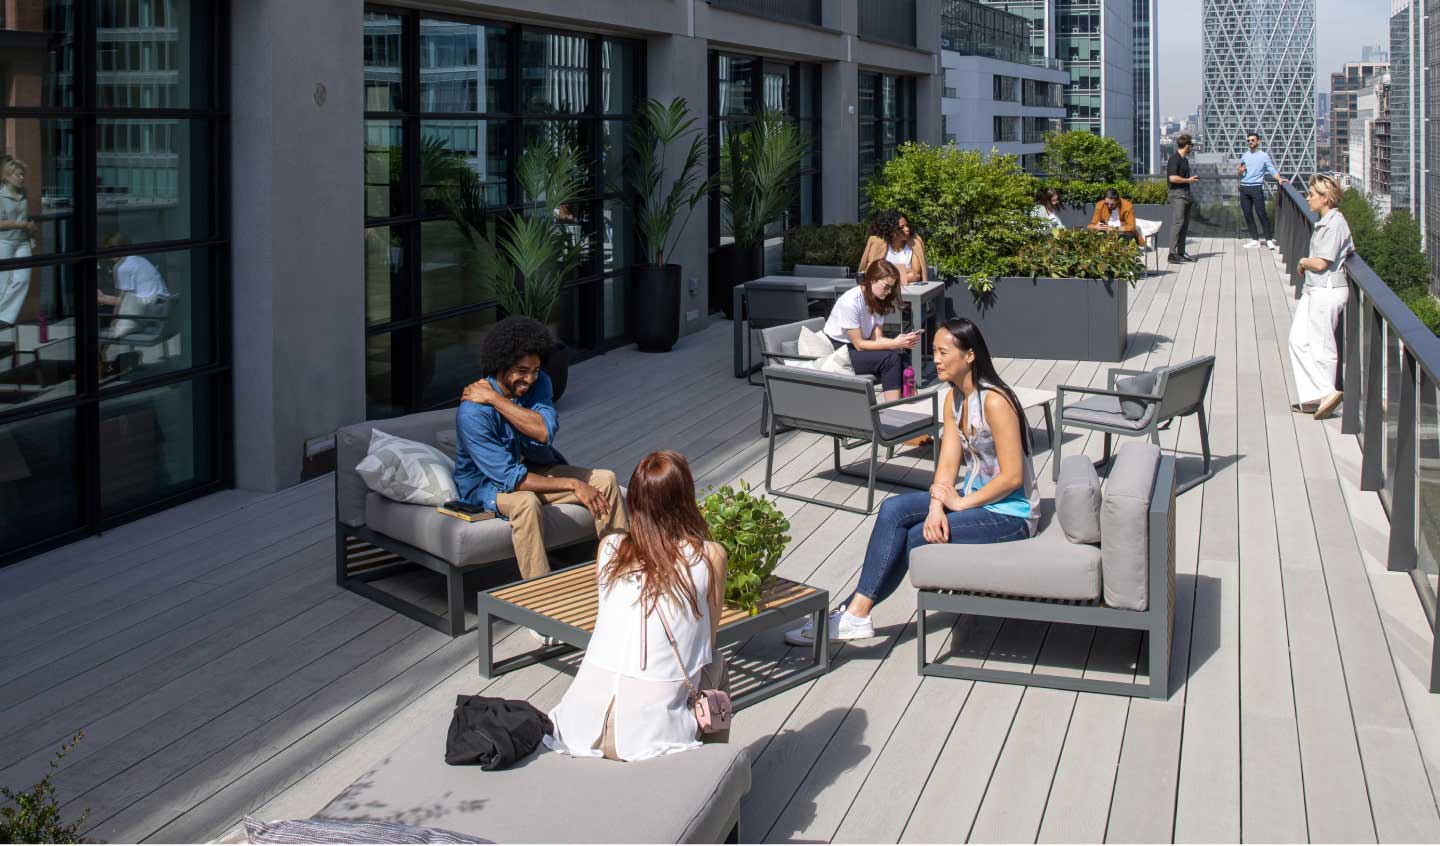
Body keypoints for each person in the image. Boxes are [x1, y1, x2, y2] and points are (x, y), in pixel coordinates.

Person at [785, 317, 1039, 645]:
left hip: (1010, 514)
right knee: (893, 510)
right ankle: (855, 614)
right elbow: (947, 462)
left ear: (970, 355)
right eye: (934, 351)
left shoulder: (995, 400)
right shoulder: (954, 399)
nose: (936, 359)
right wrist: (937, 506)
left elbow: (1012, 477)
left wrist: (959, 504)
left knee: (917, 536)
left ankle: (853, 612)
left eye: (944, 352)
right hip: (974, 497)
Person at [545, 450, 729, 762]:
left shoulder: (609, 548)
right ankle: (711, 772)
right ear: (685, 500)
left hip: (577, 727)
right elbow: (706, 645)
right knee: (717, 665)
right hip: (652, 736)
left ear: (636, 502)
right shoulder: (709, 556)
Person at [453, 316, 627, 583]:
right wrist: (572, 484)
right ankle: (540, 597)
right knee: (526, 502)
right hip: (488, 487)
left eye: (535, 370)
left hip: (536, 468)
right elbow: (511, 479)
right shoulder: (473, 412)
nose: (530, 378)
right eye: (522, 370)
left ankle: (619, 574)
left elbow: (543, 432)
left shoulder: (538, 383)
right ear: (501, 363)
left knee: (605, 479)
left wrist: (496, 399)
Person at [1289, 174, 1352, 421]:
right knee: (1298, 340)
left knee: (1321, 344)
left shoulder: (1335, 223)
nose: (1307, 198)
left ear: (1325, 198)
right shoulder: (1326, 221)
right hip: (1314, 289)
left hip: (1326, 290)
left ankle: (1326, 394)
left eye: (1312, 195)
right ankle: (1318, 394)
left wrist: (1303, 261)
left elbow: (1321, 262)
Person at [823, 260, 920, 402]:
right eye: (886, 286)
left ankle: (909, 399)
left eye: (891, 288)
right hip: (839, 350)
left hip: (856, 348)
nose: (888, 292)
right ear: (872, 279)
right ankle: (894, 406)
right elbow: (859, 345)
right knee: (890, 359)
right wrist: (894, 343)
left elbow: (876, 338)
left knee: (900, 353)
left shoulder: (877, 300)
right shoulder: (851, 302)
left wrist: (900, 342)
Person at [0, 158, 38, 326]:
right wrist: (21, 224)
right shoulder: (0, 196)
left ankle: (5, 317)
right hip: (4, 243)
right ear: (7, 177)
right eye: (18, 175)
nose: (22, 178)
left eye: (23, 174)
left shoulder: (24, 194)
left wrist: (30, 233)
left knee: (22, 279)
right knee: (3, 283)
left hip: (22, 242)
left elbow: (26, 218)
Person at [1237, 131, 1285, 250]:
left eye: (1252, 140)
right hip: (1244, 188)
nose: (1250, 142)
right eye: (1248, 140)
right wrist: (1240, 171)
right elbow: (1240, 171)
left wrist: (1279, 179)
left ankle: (1268, 239)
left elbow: (1272, 170)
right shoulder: (1245, 155)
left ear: (1258, 142)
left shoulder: (1264, 156)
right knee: (1247, 214)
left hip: (1256, 187)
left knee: (1261, 214)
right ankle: (1255, 240)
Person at [859, 210, 927, 283]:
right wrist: (904, 273)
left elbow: (916, 274)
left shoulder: (914, 243)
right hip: (881, 287)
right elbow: (872, 270)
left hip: (909, 289)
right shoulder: (878, 243)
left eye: (907, 225)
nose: (907, 229)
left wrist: (887, 272)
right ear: (891, 230)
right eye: (901, 227)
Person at [1166, 134, 1200, 264]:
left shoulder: (1184, 160)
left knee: (1184, 224)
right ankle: (1171, 253)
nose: (1191, 148)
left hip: (1186, 194)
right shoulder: (1174, 159)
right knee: (1178, 222)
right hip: (1177, 194)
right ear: (1187, 146)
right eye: (1191, 145)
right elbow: (1172, 178)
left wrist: (1189, 181)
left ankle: (1181, 251)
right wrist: (1188, 180)